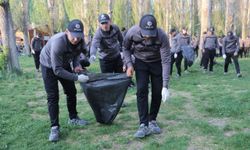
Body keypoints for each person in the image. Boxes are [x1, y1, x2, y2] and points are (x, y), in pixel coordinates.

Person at [40, 19, 90, 142]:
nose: (76, 39)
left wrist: (77, 65)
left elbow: (76, 55)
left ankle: (73, 118)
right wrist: (77, 77)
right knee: (53, 96)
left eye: (79, 37)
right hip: (49, 66)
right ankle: (55, 127)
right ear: (67, 31)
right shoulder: (58, 43)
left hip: (64, 63)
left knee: (71, 91)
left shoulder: (79, 41)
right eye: (73, 36)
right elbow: (57, 70)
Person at [123, 14, 171, 138]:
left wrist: (165, 85)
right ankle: (143, 124)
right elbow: (126, 48)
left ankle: (152, 120)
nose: (148, 36)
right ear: (140, 28)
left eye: (151, 32)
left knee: (157, 92)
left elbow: (166, 60)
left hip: (156, 63)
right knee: (141, 90)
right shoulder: (132, 32)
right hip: (141, 62)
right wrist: (129, 64)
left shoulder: (162, 36)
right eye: (146, 33)